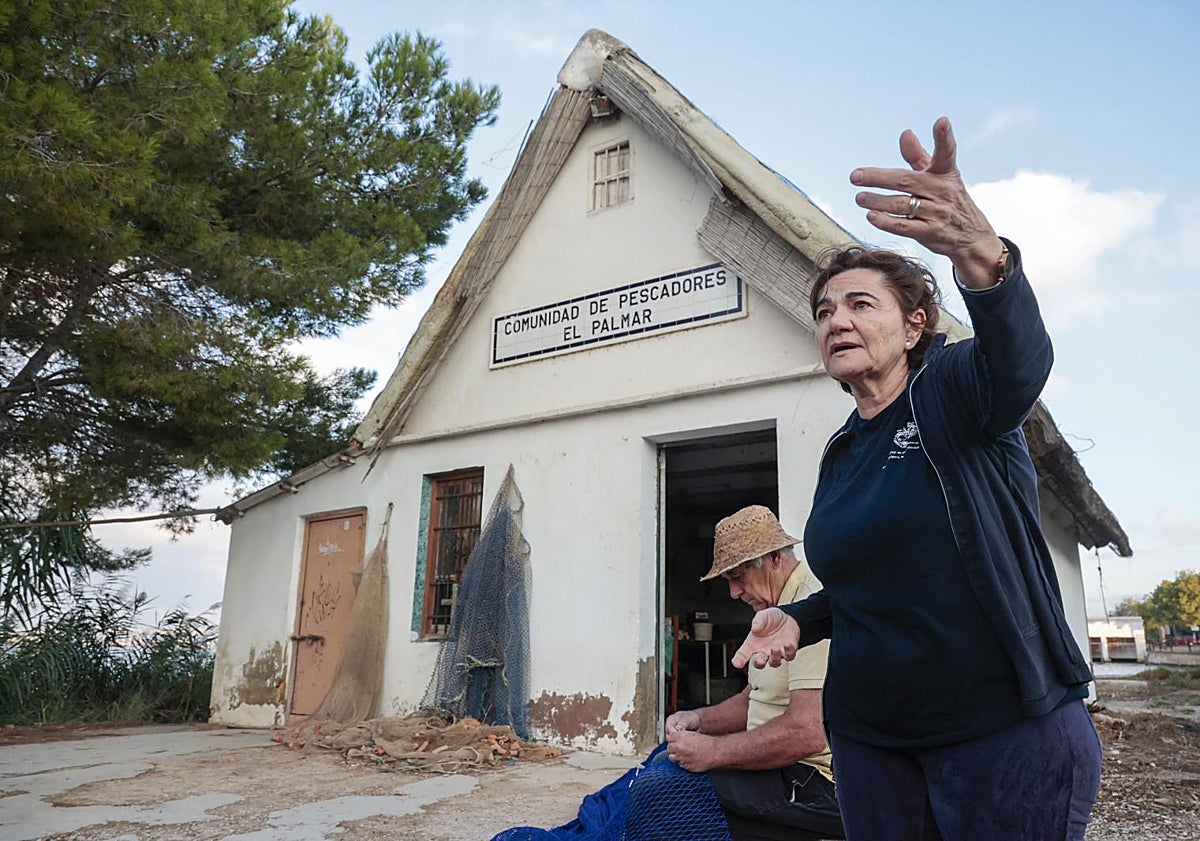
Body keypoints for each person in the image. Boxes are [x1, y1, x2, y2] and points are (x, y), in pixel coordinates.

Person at [731, 117, 1102, 840]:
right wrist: (799, 617)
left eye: (860, 303)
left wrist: (984, 259)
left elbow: (1019, 364)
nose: (836, 318)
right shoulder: (843, 451)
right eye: (824, 310)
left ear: (913, 327)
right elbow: (874, 584)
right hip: (874, 749)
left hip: (1001, 738)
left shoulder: (955, 391)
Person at [636, 505, 844, 841]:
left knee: (663, 791)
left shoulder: (809, 606)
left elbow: (808, 732)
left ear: (775, 558)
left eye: (738, 576)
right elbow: (753, 699)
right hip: (777, 769)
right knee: (663, 762)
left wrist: (713, 752)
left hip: (813, 782)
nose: (733, 593)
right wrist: (697, 720)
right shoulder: (770, 609)